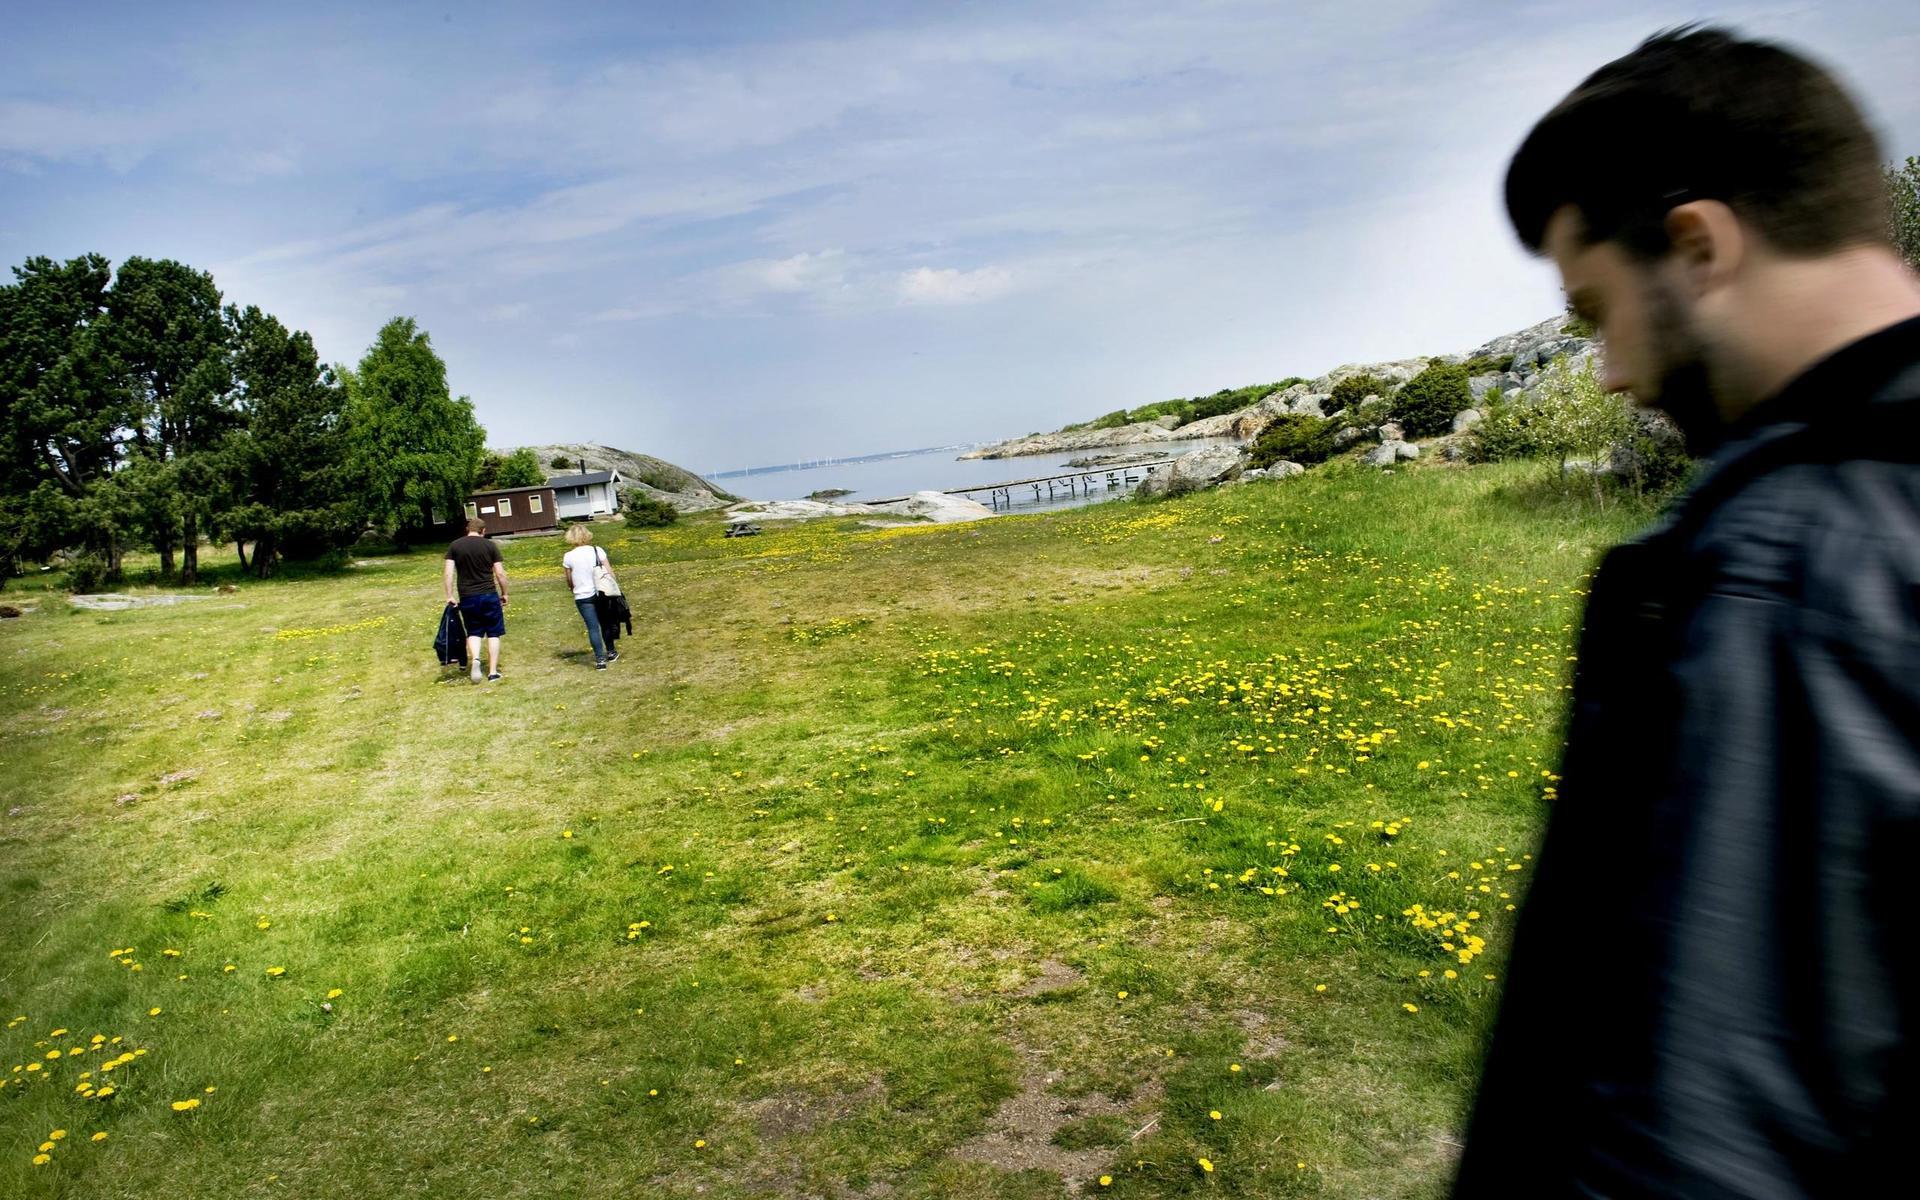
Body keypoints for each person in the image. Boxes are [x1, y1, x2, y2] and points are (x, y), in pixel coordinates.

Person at [1455, 26, 1920, 1198]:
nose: (1610, 371)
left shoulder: (1794, 564)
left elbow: (1705, 1117)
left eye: (1598, 308)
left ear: (1698, 244)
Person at [443, 518, 509, 683]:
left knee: (473, 631)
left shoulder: (455, 546)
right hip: (488, 594)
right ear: (483, 530)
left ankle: (476, 659)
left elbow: (448, 573)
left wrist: (450, 595)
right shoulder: (490, 546)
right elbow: (500, 573)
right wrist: (505, 592)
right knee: (493, 632)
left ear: (467, 529)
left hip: (467, 596)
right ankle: (493, 672)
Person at [561, 524, 619, 670]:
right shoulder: (597, 550)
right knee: (605, 623)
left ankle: (600, 660)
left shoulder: (568, 556)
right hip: (601, 592)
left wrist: (572, 588)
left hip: (582, 596)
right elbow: (609, 571)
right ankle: (611, 652)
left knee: (592, 628)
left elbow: (569, 579)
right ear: (587, 535)